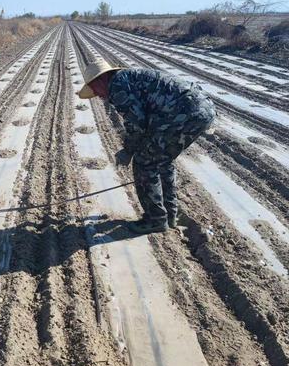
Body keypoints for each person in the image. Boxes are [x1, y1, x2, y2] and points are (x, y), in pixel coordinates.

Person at [78, 61, 216, 235]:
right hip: (201, 109)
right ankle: (169, 213)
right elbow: (145, 121)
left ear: (100, 81)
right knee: (162, 160)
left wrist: (128, 151)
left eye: (95, 90)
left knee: (145, 162)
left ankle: (155, 219)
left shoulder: (117, 86)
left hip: (181, 113)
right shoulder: (127, 78)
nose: (98, 95)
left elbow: (137, 123)